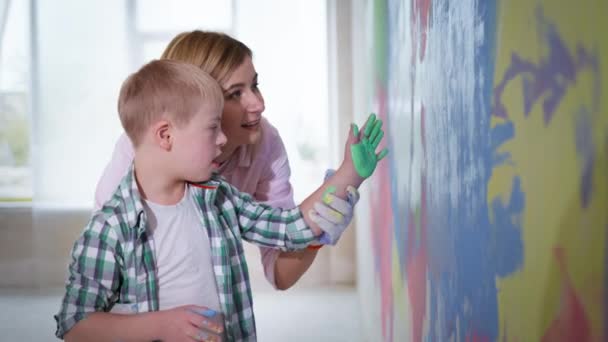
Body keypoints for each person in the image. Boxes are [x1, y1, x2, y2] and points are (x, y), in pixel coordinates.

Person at [54, 60, 387, 341]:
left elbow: (291, 228)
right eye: (212, 128)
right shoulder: (109, 229)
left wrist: (348, 175)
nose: (224, 139)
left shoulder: (219, 198)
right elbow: (76, 323)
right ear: (166, 136)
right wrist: (163, 324)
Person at [94, 30, 358, 292]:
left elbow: (280, 269)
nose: (258, 104)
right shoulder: (138, 150)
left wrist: (317, 232)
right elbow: (104, 270)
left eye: (255, 85)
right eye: (235, 93)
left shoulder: (263, 147)